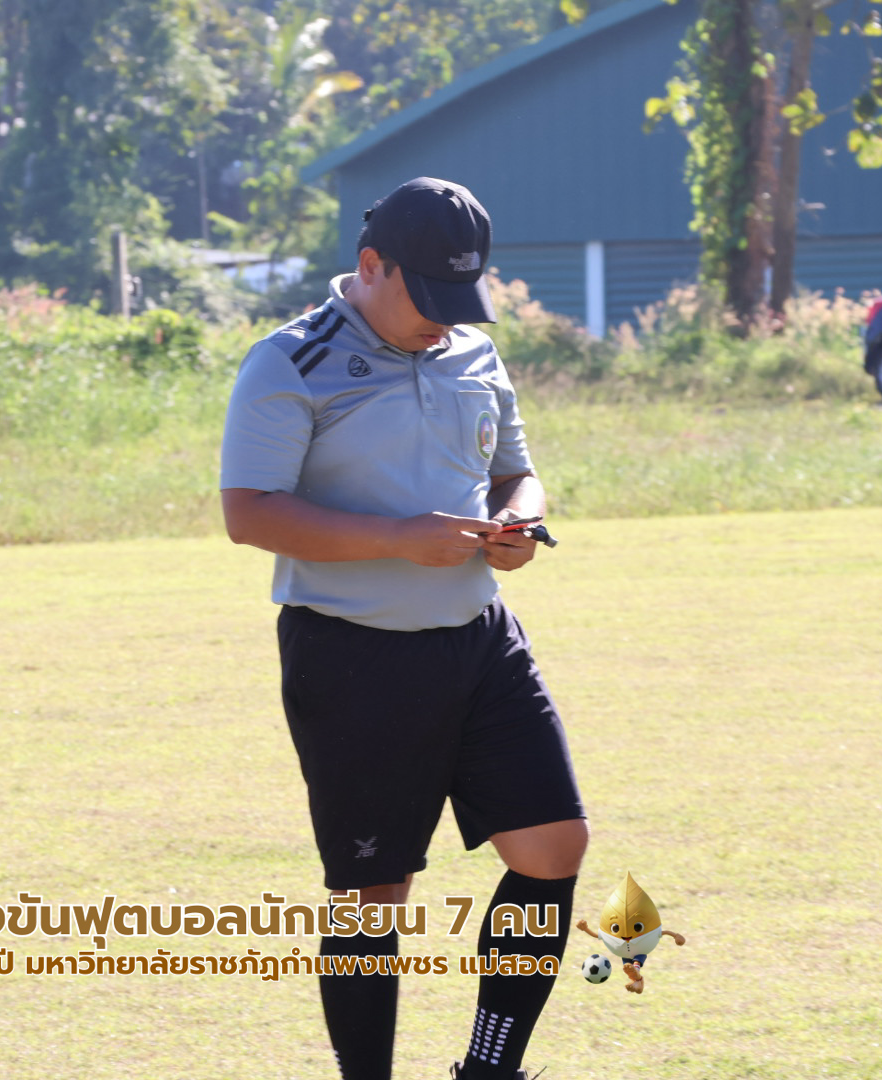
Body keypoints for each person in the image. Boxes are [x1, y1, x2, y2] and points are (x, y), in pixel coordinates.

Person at [219, 178, 587, 1080]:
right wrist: (398, 538)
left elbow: (516, 472)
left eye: (459, 296)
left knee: (553, 848)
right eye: (427, 296)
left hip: (480, 640)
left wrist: (521, 521)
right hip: (353, 655)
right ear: (371, 266)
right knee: (372, 897)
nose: (444, 318)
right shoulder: (289, 361)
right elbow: (249, 512)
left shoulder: (473, 352)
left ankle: (489, 1068)